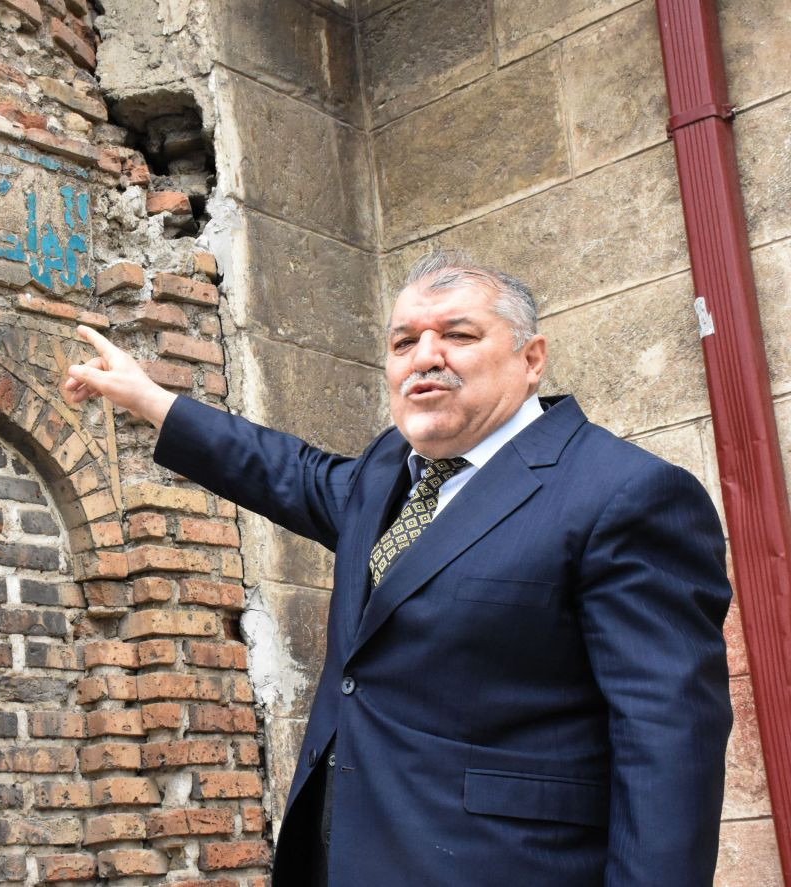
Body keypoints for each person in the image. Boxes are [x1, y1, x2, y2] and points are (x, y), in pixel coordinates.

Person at [63, 250, 732, 886]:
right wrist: (152, 399)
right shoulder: (390, 473)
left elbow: (669, 752)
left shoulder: (624, 495)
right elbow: (287, 471)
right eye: (403, 341)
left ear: (532, 359)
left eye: (458, 334)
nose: (425, 357)